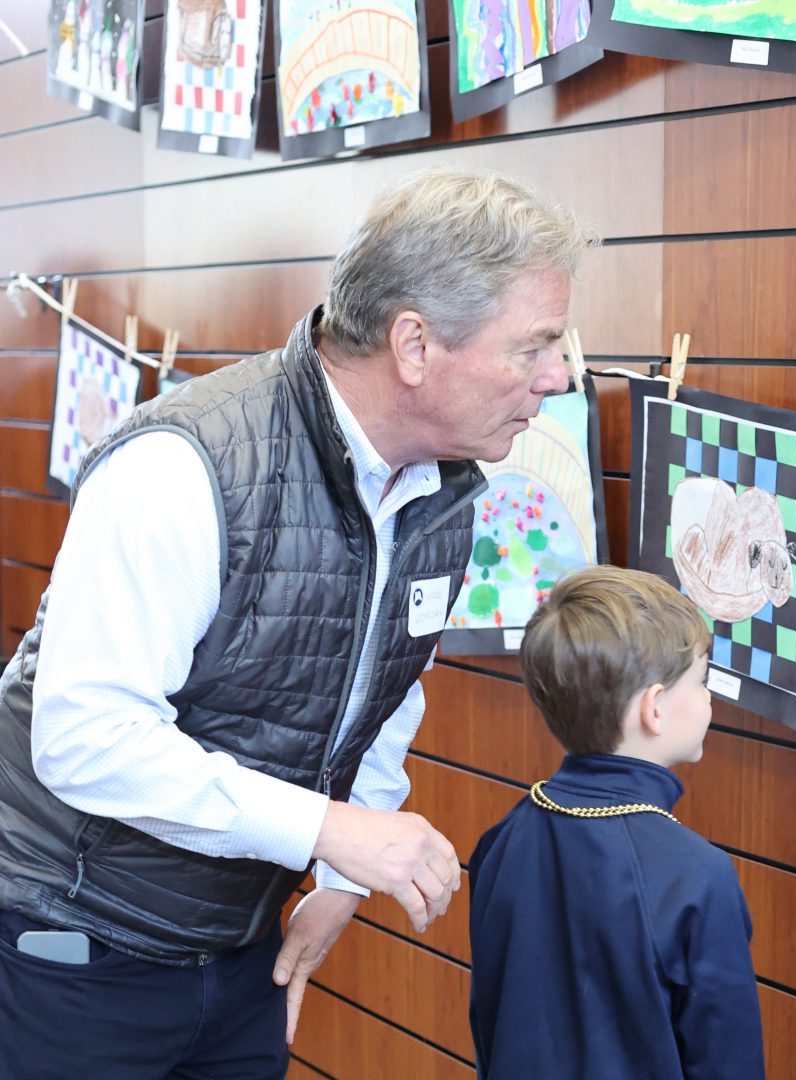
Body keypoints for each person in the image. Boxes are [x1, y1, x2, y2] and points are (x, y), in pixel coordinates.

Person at [0, 167, 589, 1079]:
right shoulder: (179, 468)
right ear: (414, 344)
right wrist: (329, 832)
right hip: (68, 949)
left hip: (240, 957)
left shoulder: (444, 490)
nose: (559, 376)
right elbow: (85, 736)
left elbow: (387, 685)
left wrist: (342, 878)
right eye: (534, 346)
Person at [468, 565, 765, 1080]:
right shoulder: (699, 877)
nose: (708, 697)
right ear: (654, 709)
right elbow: (728, 1064)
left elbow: (489, 1022)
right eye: (701, 680)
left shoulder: (501, 840)